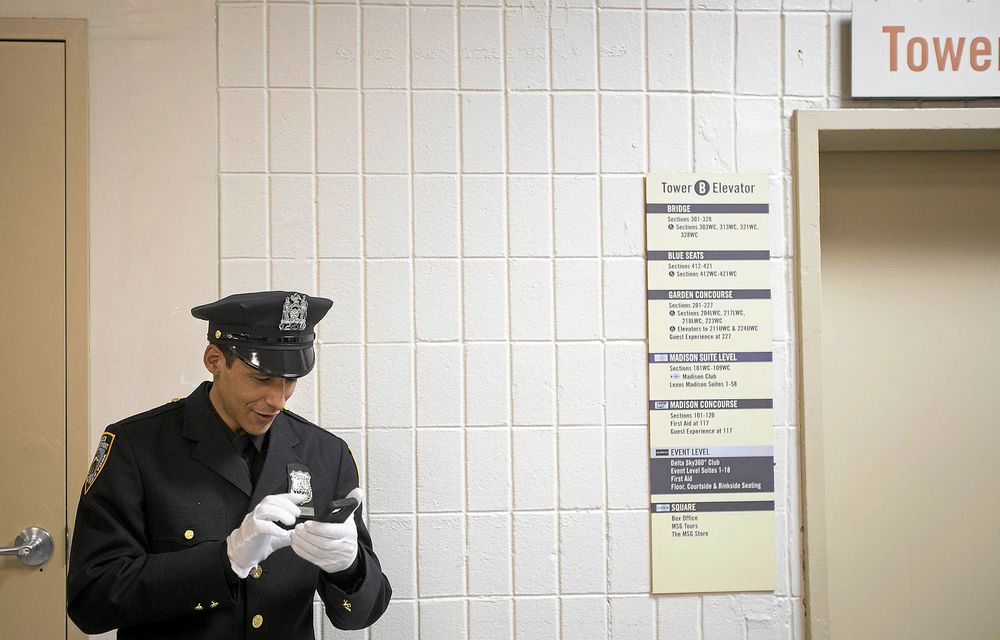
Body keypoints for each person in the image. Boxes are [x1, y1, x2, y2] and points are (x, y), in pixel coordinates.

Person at [68, 291, 391, 639]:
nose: (278, 400)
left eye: (290, 381)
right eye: (262, 378)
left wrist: (349, 567)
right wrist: (225, 561)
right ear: (215, 359)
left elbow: (360, 615)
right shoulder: (137, 447)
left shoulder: (325, 453)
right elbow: (92, 601)